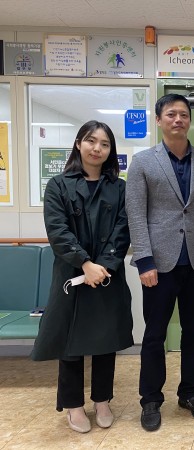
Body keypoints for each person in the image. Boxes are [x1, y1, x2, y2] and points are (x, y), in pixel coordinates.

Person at [126, 94, 194, 431]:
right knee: (155, 333)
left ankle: (190, 393)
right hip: (158, 264)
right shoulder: (142, 162)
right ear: (159, 120)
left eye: (183, 114)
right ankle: (151, 399)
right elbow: (136, 214)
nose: (178, 119)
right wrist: (144, 260)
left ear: (190, 121)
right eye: (171, 114)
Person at [31, 121, 133, 433]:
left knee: (105, 340)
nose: (97, 148)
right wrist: (85, 263)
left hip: (107, 275)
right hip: (71, 274)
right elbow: (58, 231)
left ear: (110, 151)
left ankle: (102, 400)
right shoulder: (58, 185)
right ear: (78, 144)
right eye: (91, 141)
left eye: (104, 144)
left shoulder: (119, 188)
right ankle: (73, 405)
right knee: (70, 343)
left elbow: (123, 230)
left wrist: (102, 266)